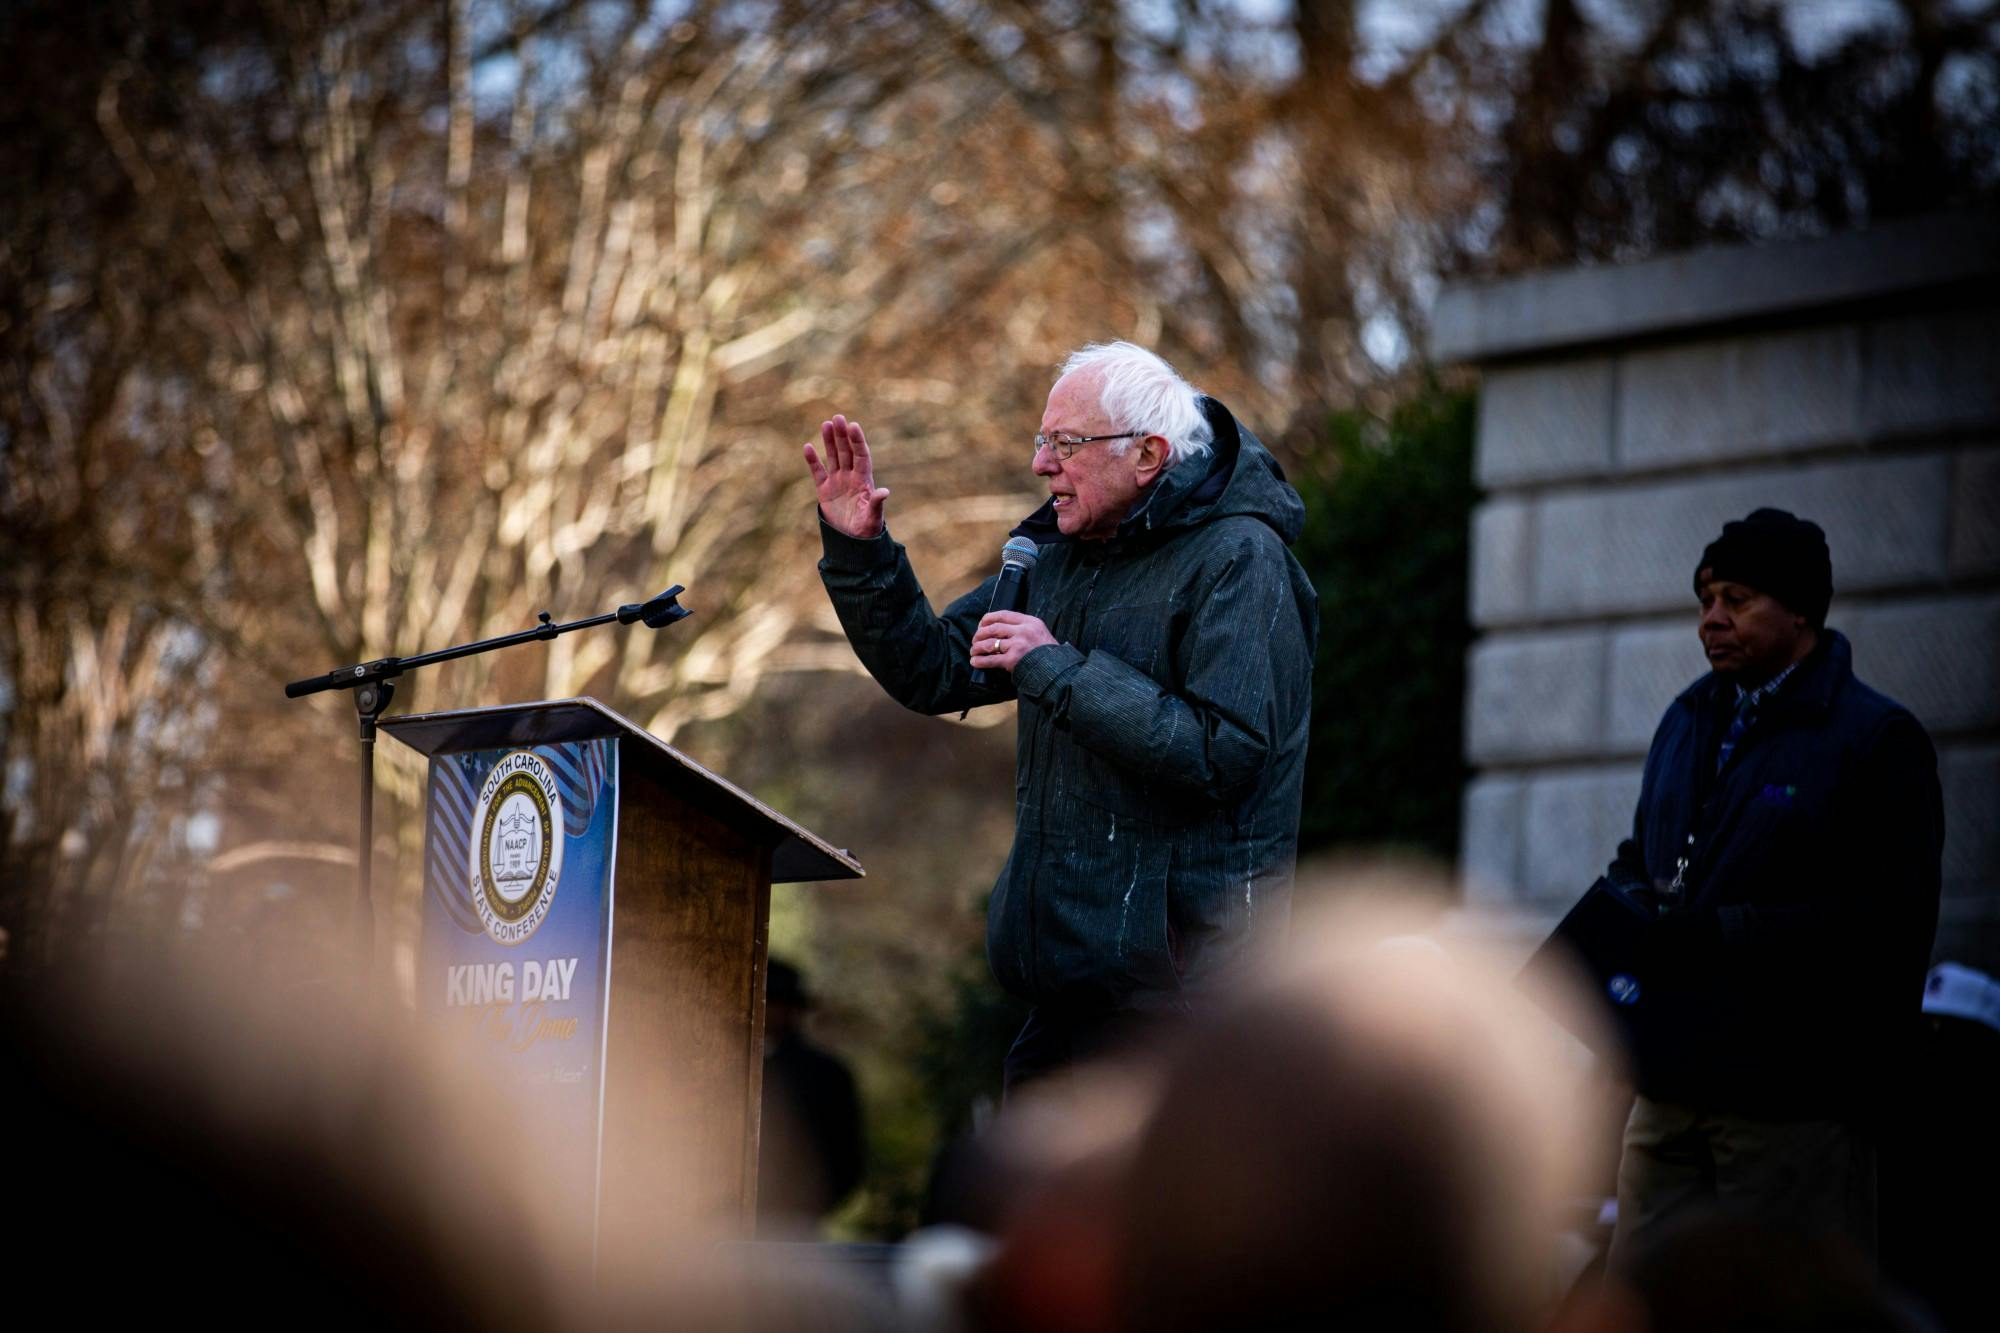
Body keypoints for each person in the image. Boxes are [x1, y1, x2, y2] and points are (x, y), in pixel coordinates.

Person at [804, 342, 1316, 1093]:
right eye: (1043, 441)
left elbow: (1223, 754)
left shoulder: (1243, 557)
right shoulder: (1055, 554)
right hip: (1065, 991)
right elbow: (937, 667)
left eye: (1066, 444)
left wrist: (1054, 666)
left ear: (1149, 454)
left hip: (1181, 1006)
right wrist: (861, 550)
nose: (1043, 464)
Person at [1592, 508, 1944, 1264]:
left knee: (1784, 1306)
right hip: (1669, 1087)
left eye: (1737, 598)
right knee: (1639, 1300)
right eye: (1704, 598)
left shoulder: (1877, 740)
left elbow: (1883, 924)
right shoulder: (1686, 718)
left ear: (1801, 611)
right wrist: (1621, 914)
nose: (1710, 620)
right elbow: (1646, 851)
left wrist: (1725, 931)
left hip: (1793, 1101)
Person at [757, 957, 866, 1230]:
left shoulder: (826, 1075)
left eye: (776, 1002)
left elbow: (846, 1157)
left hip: (795, 1221)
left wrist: (807, 1206)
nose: (769, 1011)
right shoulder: (719, 1066)